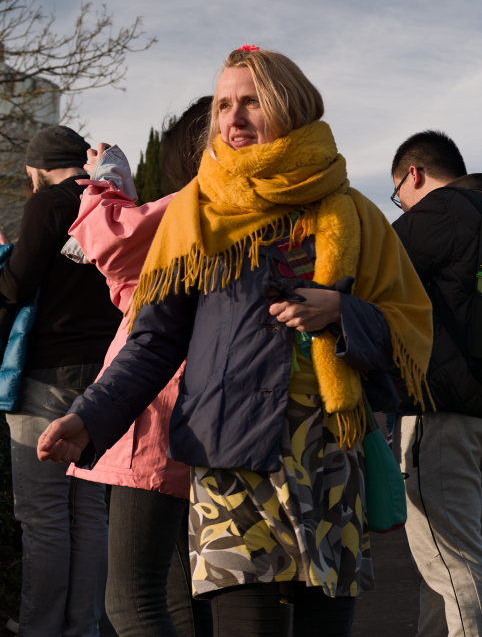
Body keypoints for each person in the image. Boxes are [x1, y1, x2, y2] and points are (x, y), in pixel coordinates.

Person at [37, 46, 434, 636]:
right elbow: (154, 340)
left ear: (291, 107)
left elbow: (409, 332)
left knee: (326, 627)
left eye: (252, 101)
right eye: (224, 104)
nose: (234, 117)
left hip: (328, 452)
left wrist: (344, 312)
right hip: (228, 456)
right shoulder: (195, 213)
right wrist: (90, 415)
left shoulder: (354, 212)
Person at [65, 98, 214, 637]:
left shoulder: (197, 203)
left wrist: (104, 180)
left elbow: (109, 240)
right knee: (183, 595)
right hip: (190, 410)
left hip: (155, 409)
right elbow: (133, 285)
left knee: (131, 600)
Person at [390, 130, 482, 637]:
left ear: (414, 175)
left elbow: (365, 279)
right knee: (442, 564)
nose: (401, 205)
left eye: (398, 194)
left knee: (456, 566)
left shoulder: (436, 215)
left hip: (440, 417)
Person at [0, 125, 122, 637]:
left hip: (47, 372)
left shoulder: (50, 202)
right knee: (88, 509)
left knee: (44, 513)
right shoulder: (109, 198)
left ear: (37, 167)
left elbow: (16, 284)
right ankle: (84, 627)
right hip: (104, 375)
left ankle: (42, 629)